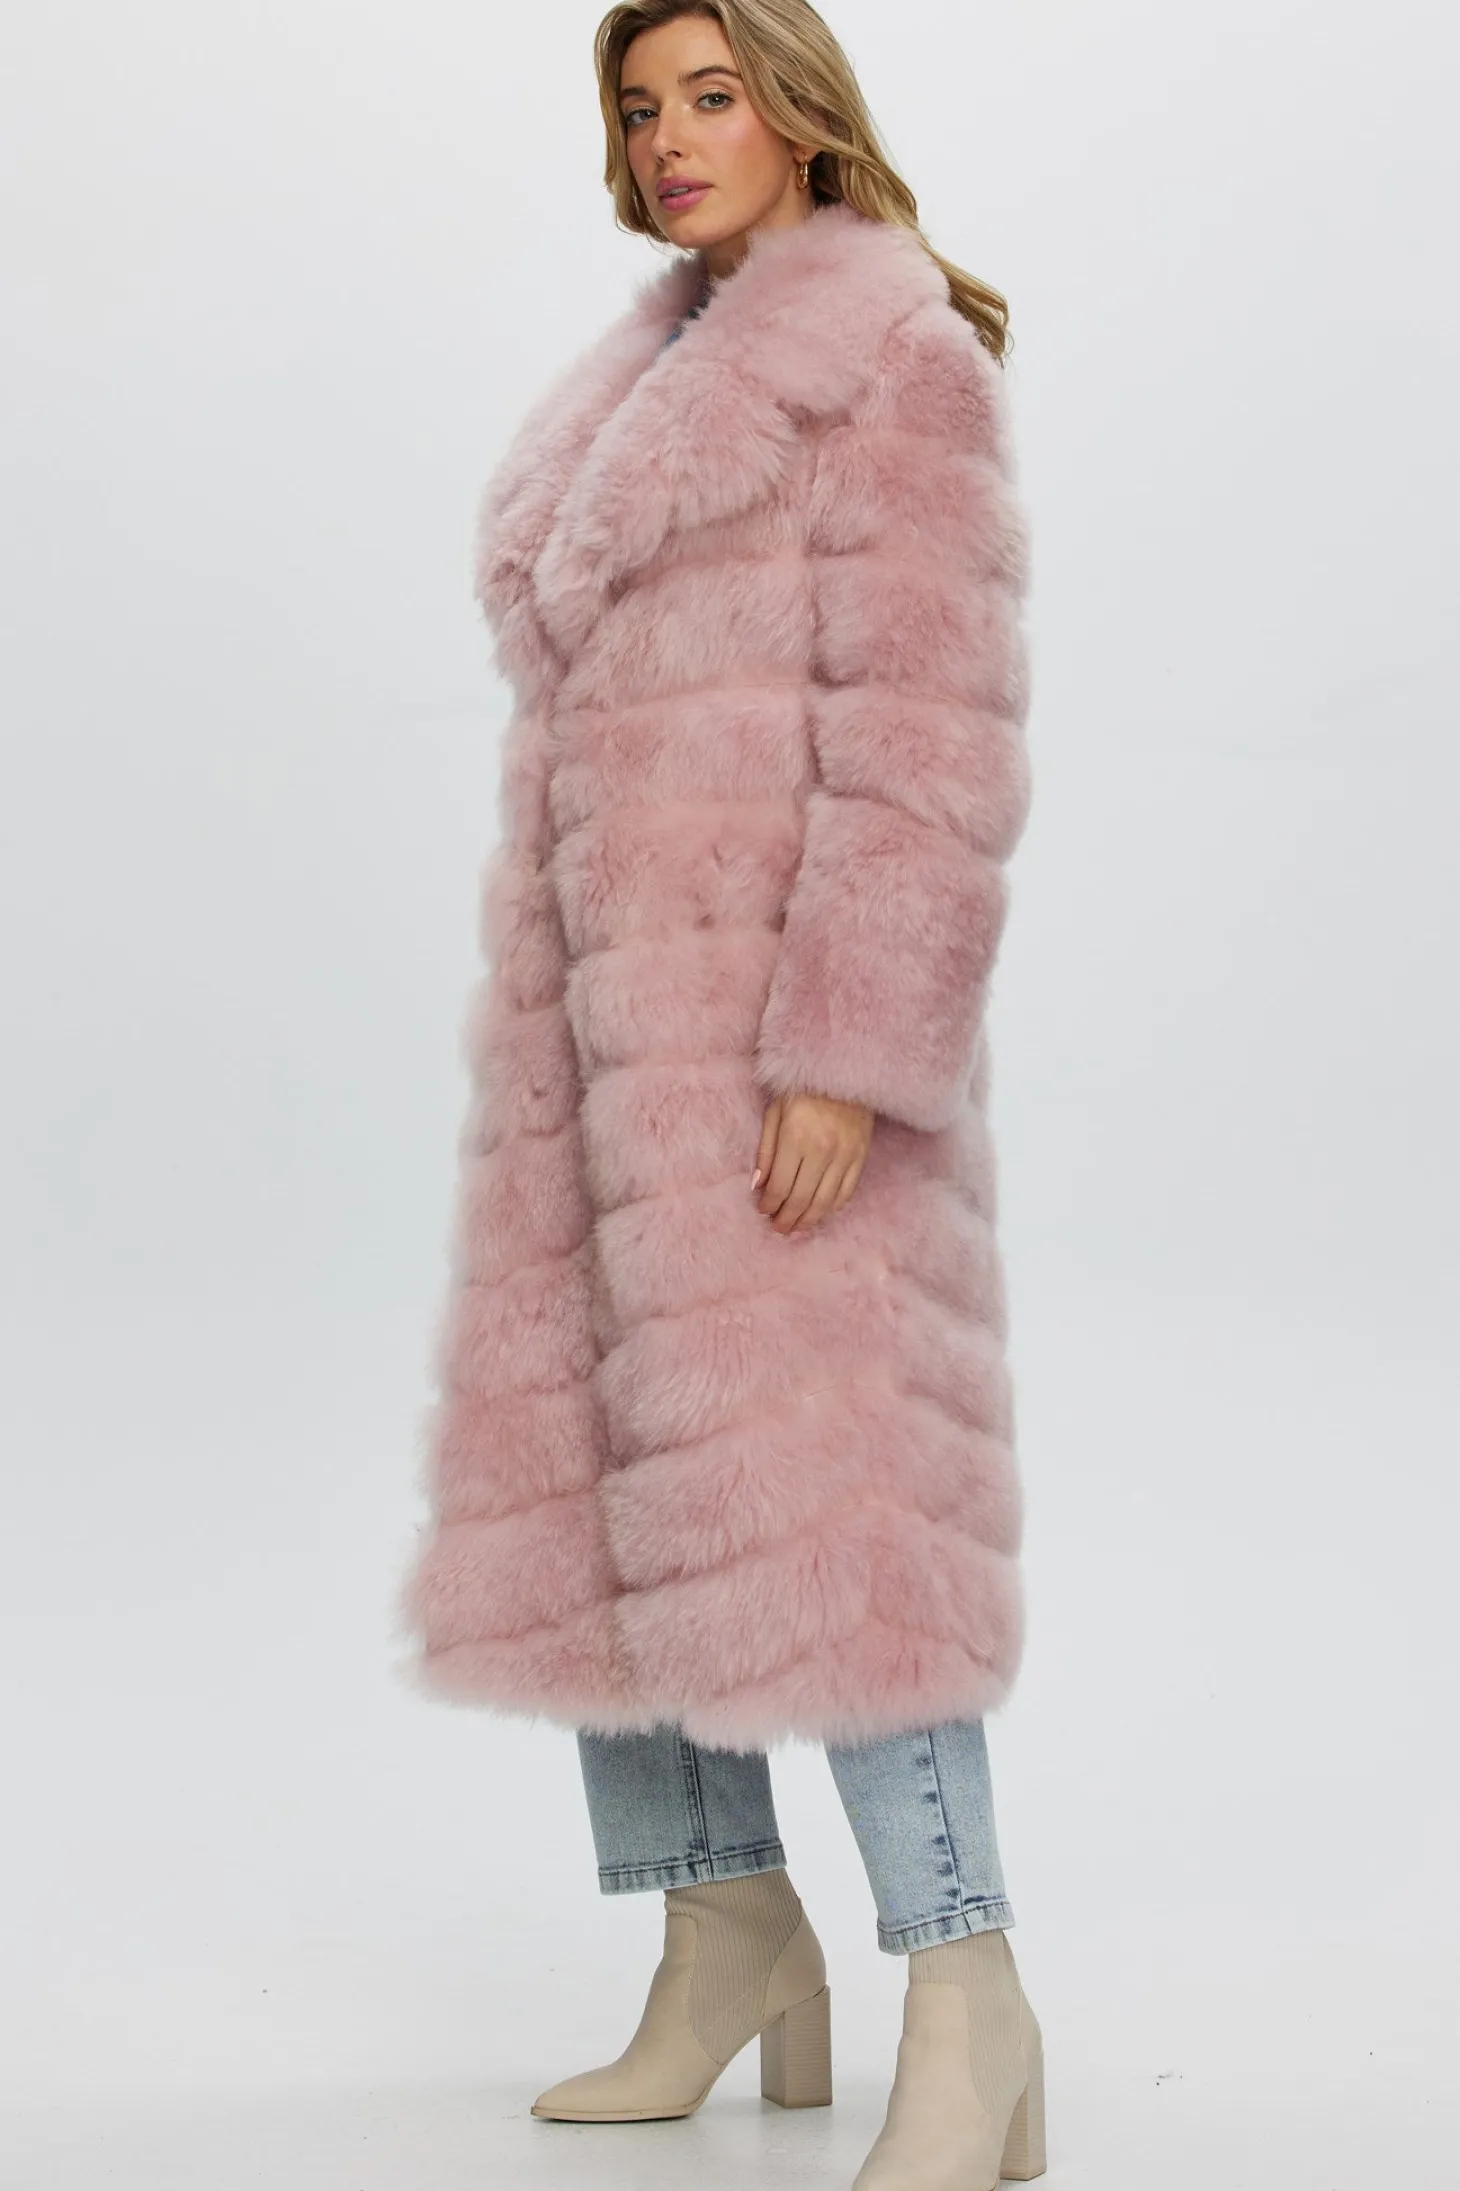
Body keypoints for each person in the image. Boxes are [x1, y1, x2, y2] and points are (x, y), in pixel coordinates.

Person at [395, 3, 1043, 2183]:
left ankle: (969, 1995)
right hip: (595, 1067)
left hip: (781, 1056)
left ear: (801, 104)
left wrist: (849, 1048)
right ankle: (725, 1931)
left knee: (840, 1525)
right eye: (639, 105)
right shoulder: (645, 376)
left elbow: (930, 740)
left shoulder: (896, 365)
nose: (672, 136)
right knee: (614, 1513)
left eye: (710, 92)